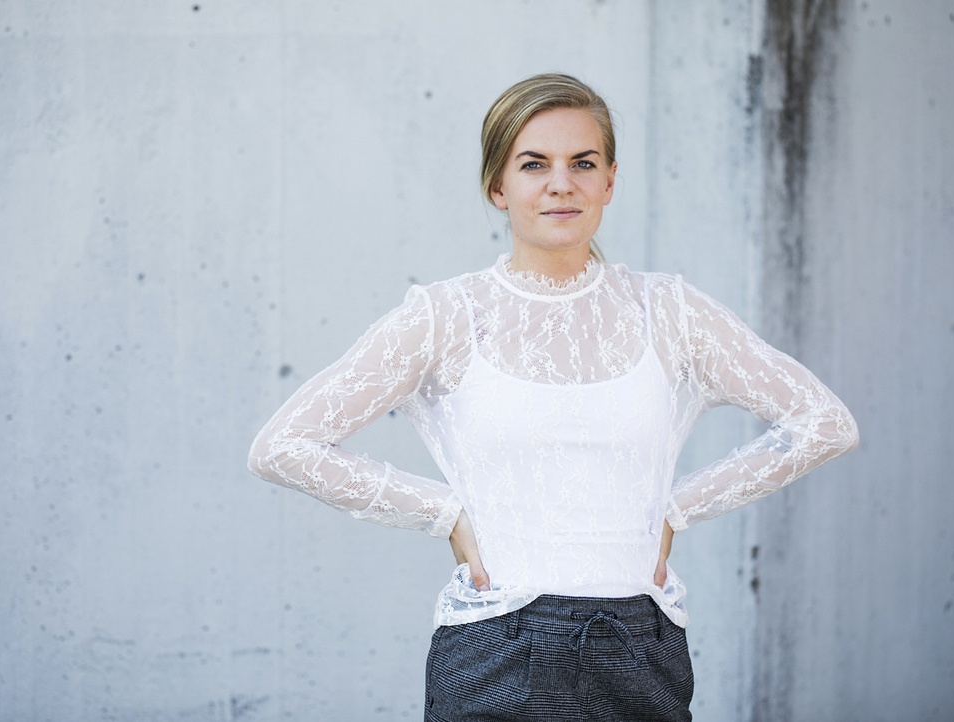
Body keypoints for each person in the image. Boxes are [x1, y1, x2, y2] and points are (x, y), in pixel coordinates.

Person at [247, 73, 859, 721]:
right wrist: (442, 513)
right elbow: (282, 446)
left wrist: (677, 509)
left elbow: (825, 423)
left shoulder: (669, 311)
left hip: (638, 651)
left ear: (610, 182)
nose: (561, 183)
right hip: (494, 648)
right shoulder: (446, 316)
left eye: (583, 163)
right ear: (498, 187)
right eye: (534, 164)